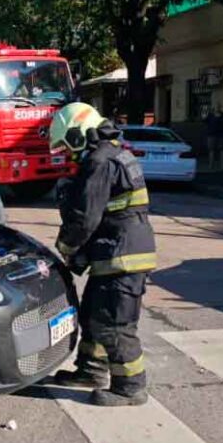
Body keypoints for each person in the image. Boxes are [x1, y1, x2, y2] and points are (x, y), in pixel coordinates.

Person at [48, 102, 157, 407]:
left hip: (122, 255)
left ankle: (130, 387)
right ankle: (91, 371)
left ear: (78, 134)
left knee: (114, 323)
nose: (68, 154)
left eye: (67, 145)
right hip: (115, 252)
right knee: (93, 314)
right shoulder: (112, 153)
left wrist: (65, 249)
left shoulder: (99, 161)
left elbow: (85, 217)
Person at [205, 105, 223, 170]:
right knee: (211, 150)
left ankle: (221, 166)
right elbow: (205, 120)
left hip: (220, 135)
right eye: (216, 107)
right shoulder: (210, 115)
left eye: (218, 107)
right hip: (212, 135)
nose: (217, 108)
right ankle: (211, 166)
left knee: (221, 150)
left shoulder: (222, 115)